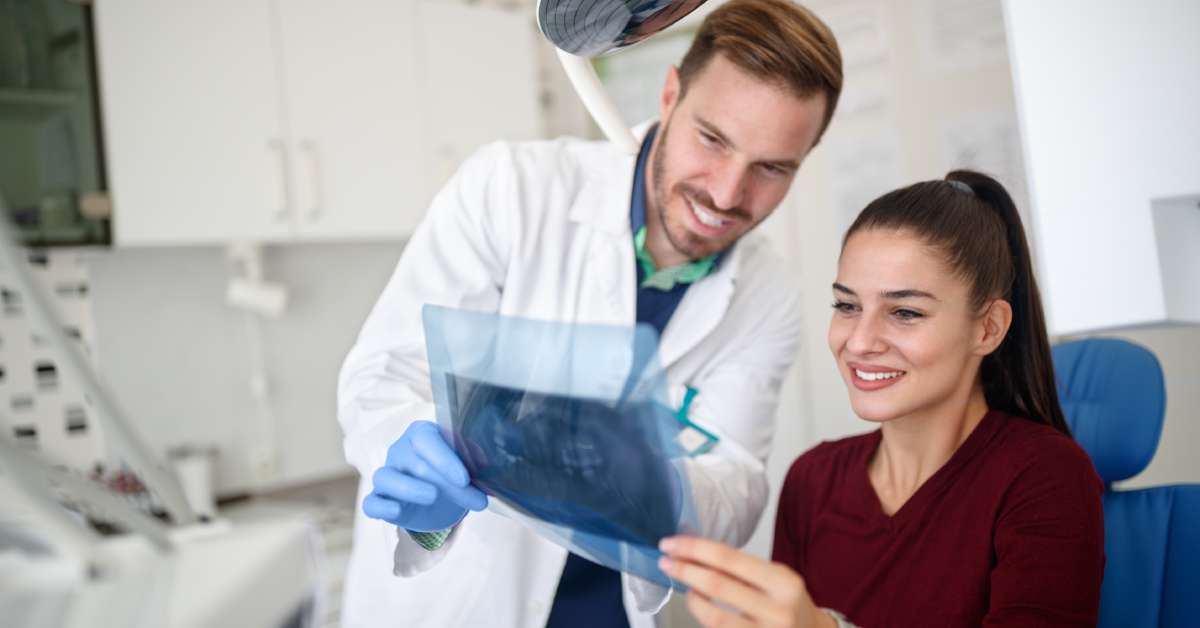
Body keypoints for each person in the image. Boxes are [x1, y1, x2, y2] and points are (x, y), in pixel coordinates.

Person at [335, 1, 843, 627]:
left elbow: (736, 478)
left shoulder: (769, 291)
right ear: (669, 94)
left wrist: (653, 481)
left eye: (771, 168)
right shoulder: (511, 188)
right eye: (712, 140)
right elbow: (384, 374)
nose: (727, 193)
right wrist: (407, 456)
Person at [658, 171, 1106, 627]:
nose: (860, 341)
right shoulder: (812, 480)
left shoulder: (1046, 477)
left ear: (987, 327)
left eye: (905, 312)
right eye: (847, 306)